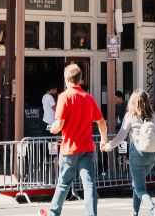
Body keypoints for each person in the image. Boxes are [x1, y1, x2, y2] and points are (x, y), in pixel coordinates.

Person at [39, 63, 107, 216]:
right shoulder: (88, 98)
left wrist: (52, 128)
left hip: (70, 148)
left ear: (66, 79)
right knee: (89, 184)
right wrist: (103, 140)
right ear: (80, 79)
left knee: (63, 183)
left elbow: (59, 124)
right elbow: (101, 122)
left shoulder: (64, 96)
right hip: (87, 147)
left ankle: (53, 213)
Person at [102, 89, 155, 216]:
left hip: (137, 155)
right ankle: (134, 212)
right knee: (137, 184)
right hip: (152, 156)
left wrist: (109, 146)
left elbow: (121, 137)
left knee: (140, 188)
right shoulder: (153, 116)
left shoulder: (130, 117)